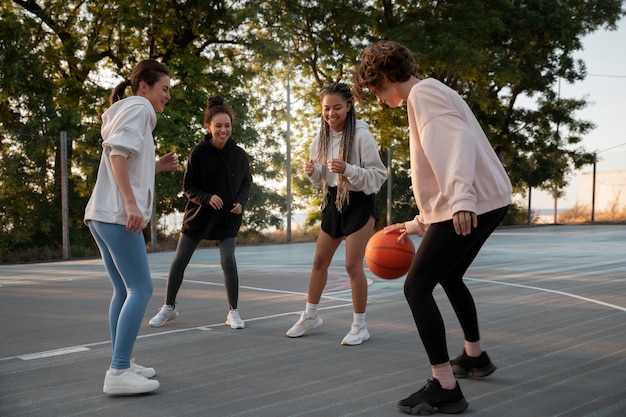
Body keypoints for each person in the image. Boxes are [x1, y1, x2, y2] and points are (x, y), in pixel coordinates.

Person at [353, 41, 512, 414]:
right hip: (485, 200)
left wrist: (461, 199)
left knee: (416, 286)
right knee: (450, 274)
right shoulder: (432, 92)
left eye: (377, 89)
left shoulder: (423, 94)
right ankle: (475, 356)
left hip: (474, 202)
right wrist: (416, 223)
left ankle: (445, 387)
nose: (378, 99)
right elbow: (443, 160)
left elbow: (456, 144)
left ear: (389, 77)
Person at [84, 59, 179, 395]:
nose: (168, 95)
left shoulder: (129, 111)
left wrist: (156, 166)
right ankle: (118, 371)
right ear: (144, 87)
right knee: (142, 290)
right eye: (164, 89)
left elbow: (126, 159)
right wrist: (130, 204)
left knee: (124, 291)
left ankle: (121, 360)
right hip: (116, 215)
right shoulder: (138, 108)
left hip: (101, 214)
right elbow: (117, 156)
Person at [286, 82, 387, 346]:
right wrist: (312, 173)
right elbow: (322, 178)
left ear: (349, 107)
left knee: (352, 266)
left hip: (359, 202)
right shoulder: (320, 138)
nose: (331, 113)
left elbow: (378, 177)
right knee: (319, 262)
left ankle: (360, 325)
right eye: (326, 108)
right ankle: (310, 316)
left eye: (337, 108)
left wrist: (349, 169)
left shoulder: (363, 136)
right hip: (333, 201)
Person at [149, 95, 252, 330]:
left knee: (228, 260)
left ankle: (233, 312)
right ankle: (169, 307)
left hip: (228, 218)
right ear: (209, 127)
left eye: (227, 126)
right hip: (199, 217)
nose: (223, 130)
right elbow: (188, 187)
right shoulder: (198, 153)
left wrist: (240, 202)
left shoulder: (239, 155)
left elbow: (246, 184)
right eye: (218, 126)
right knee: (180, 261)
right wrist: (206, 198)